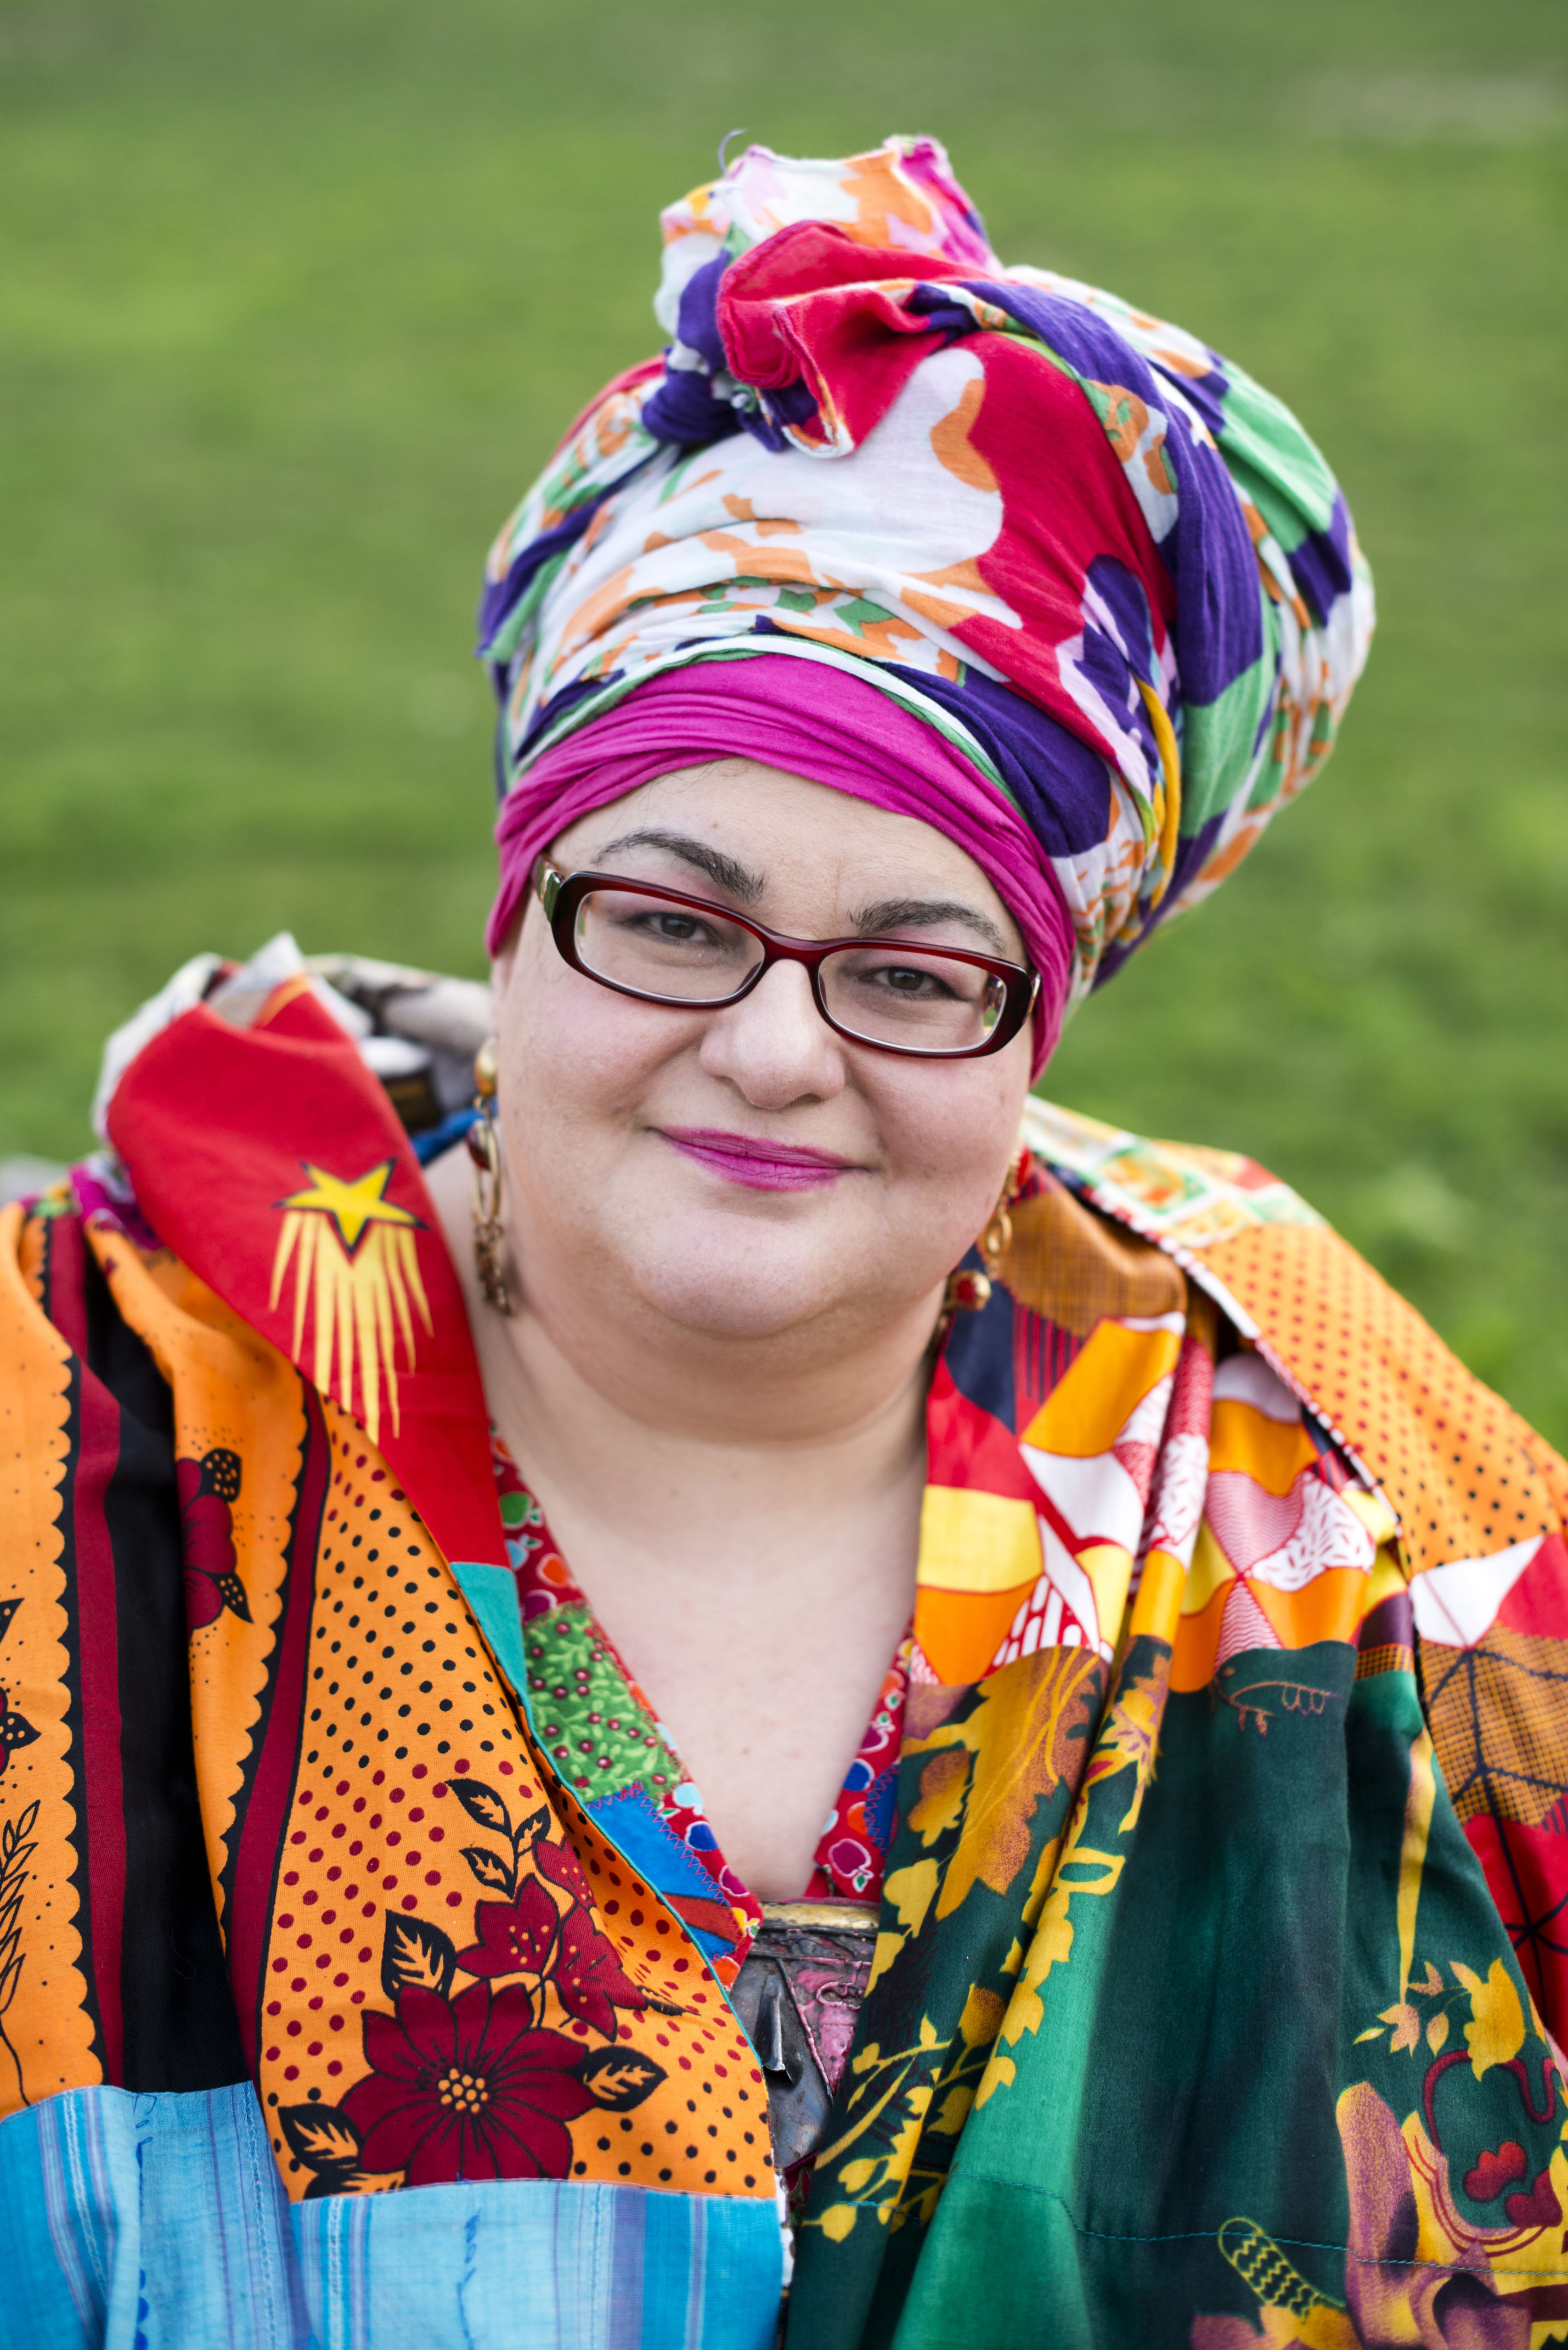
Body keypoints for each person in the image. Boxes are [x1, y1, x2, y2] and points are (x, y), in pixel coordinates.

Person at [3, 134, 1566, 2349]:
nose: (767, 1050)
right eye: (668, 919)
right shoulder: (55, 1405)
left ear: (1044, 1022)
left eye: (916, 972)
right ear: (517, 916)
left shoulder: (1294, 1396)